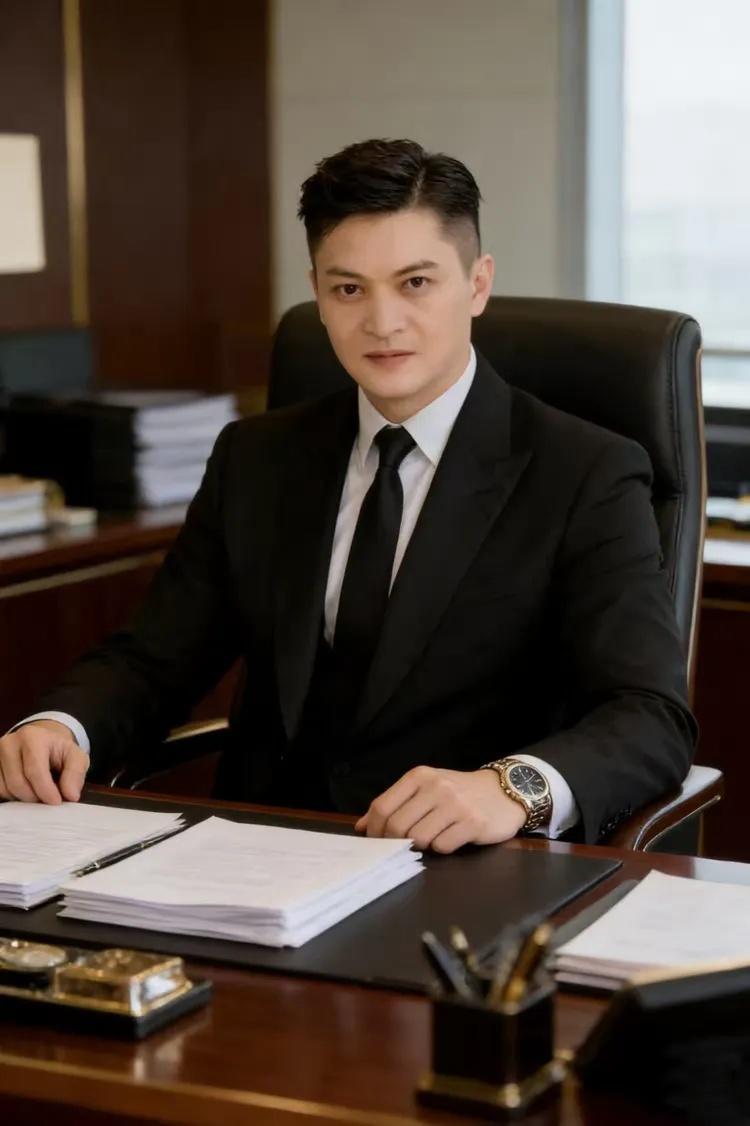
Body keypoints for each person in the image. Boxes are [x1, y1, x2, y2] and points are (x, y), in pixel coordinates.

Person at [0, 139, 696, 849]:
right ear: (318, 294)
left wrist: (513, 787)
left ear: (478, 284)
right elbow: (154, 659)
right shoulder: (256, 457)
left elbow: (649, 715)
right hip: (258, 855)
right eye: (349, 289)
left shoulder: (584, 472)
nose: (382, 322)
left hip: (464, 866)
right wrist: (61, 724)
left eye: (415, 283)